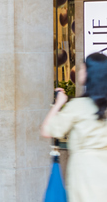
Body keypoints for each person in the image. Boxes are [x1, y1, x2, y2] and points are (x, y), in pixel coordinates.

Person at [40, 52, 107, 202]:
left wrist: (59, 103)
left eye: (83, 68)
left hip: (85, 173)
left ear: (91, 74)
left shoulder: (78, 106)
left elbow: (47, 130)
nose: (79, 71)